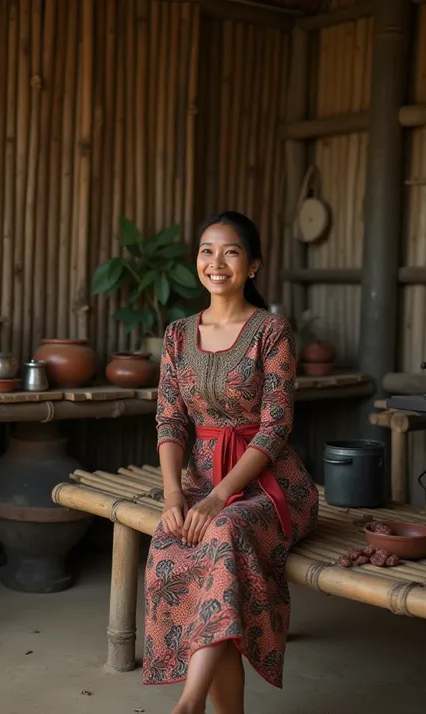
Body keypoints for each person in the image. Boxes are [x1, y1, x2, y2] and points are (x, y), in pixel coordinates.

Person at [143, 211, 319, 714]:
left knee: (223, 534)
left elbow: (276, 427)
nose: (216, 262)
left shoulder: (272, 331)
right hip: (200, 481)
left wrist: (220, 497)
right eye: (206, 250)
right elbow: (170, 420)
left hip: (271, 487)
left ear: (253, 265)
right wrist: (176, 494)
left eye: (231, 251)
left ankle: (189, 703)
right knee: (170, 537)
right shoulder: (177, 336)